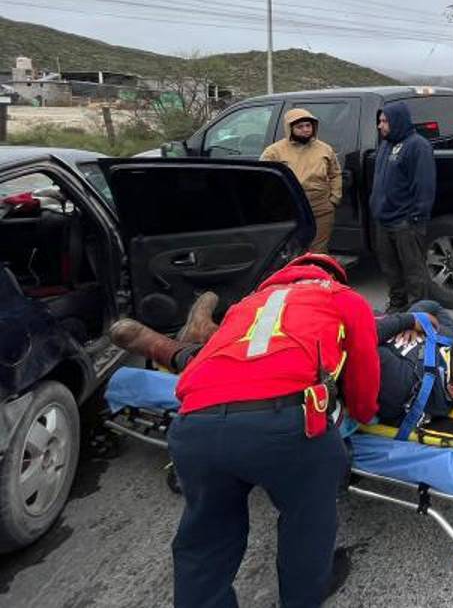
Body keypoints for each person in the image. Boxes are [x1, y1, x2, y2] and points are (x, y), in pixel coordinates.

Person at [114, 254, 381, 608]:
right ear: (334, 275)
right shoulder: (343, 298)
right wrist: (363, 414)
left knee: (205, 543)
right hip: (285, 424)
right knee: (307, 520)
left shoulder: (246, 306)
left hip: (195, 425)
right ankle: (306, 592)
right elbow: (364, 373)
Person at [112, 297, 453, 427]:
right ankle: (206, 332)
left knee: (270, 354)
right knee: (286, 315)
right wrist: (422, 321)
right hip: (343, 340)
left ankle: (167, 347)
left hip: (317, 372)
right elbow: (431, 305)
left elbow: (358, 342)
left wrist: (406, 324)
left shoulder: (411, 385)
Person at [371, 102, 436, 312]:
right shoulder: (386, 144)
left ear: (397, 121)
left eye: (384, 121)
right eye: (379, 121)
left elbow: (424, 186)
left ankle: (420, 313)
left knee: (413, 271)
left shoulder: (418, 146)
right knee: (390, 269)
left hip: (405, 223)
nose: (380, 126)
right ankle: (397, 306)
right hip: (384, 221)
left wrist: (415, 219)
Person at [261, 108, 342, 254]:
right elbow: (264, 180)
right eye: (300, 127)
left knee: (319, 250)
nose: (305, 130)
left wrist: (334, 198)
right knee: (293, 250)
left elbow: (335, 174)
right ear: (290, 128)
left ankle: (318, 275)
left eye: (308, 126)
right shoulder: (274, 152)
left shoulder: (324, 149)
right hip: (290, 208)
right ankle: (297, 276)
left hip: (320, 207)